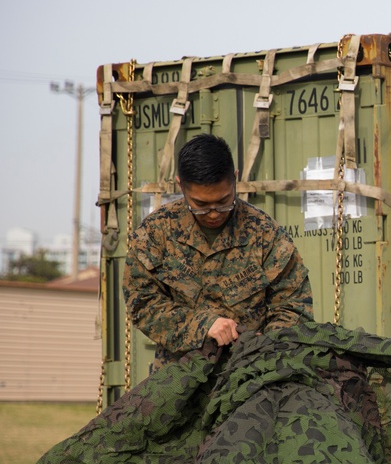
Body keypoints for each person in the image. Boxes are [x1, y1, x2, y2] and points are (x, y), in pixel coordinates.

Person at [124, 134, 313, 370]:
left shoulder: (265, 234)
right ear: (180, 185)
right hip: (180, 381)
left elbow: (294, 305)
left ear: (234, 180)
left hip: (251, 378)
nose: (213, 213)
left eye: (224, 201)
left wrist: (262, 348)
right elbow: (143, 305)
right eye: (201, 205)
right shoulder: (154, 234)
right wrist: (202, 325)